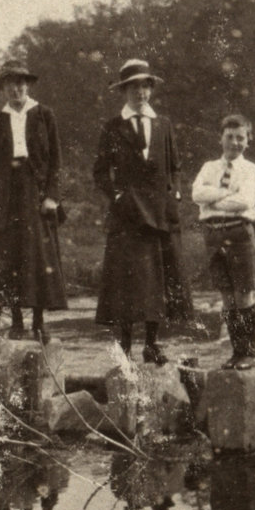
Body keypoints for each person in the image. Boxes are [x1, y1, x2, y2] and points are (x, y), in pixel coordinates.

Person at [93, 59, 188, 364]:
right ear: (124, 91)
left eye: (145, 86)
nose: (141, 93)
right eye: (134, 87)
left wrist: (175, 192)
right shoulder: (112, 127)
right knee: (126, 280)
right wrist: (117, 196)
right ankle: (124, 346)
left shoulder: (163, 124)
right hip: (128, 215)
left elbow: (174, 167)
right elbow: (99, 172)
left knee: (157, 279)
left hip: (159, 215)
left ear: (151, 90)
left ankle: (152, 343)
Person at [0, 60, 67, 344]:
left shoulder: (44, 115)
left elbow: (56, 161)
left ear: (27, 85)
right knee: (9, 257)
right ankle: (16, 321)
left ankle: (39, 322)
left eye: (21, 82)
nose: (16, 88)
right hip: (5, 193)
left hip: (35, 192)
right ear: (3, 88)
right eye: (10, 83)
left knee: (38, 256)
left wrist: (52, 196)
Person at [191, 114, 255, 369]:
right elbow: (197, 194)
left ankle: (248, 354)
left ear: (248, 140)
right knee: (227, 297)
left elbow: (244, 201)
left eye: (240, 137)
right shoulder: (209, 168)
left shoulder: (250, 169)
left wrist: (214, 199)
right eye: (229, 137)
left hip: (238, 233)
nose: (234, 142)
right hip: (213, 235)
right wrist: (228, 192)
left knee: (243, 294)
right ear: (220, 138)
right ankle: (236, 352)